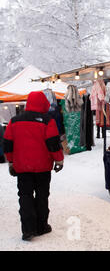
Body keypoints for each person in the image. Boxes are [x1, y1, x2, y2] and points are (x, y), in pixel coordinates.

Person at [3, 91, 64, 241]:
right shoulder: (47, 121)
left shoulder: (14, 121)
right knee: (42, 196)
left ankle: (28, 230)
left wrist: (11, 162)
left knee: (25, 196)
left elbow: (7, 143)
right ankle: (41, 227)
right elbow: (53, 144)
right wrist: (59, 160)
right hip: (43, 167)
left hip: (22, 167)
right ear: (43, 103)